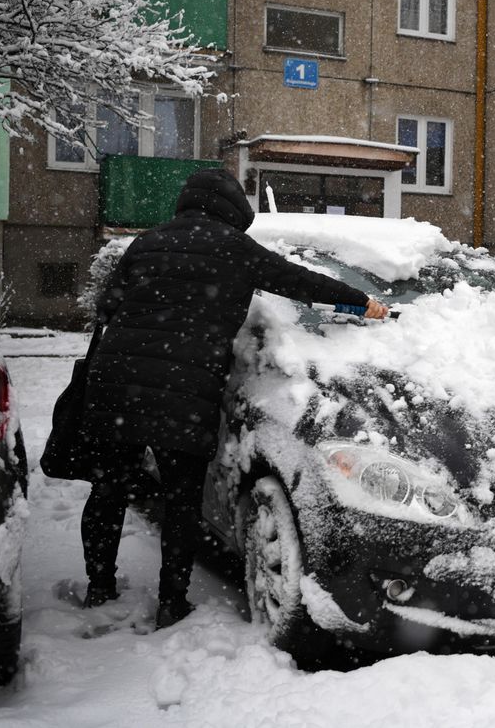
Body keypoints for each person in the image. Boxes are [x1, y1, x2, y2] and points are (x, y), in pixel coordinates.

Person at [78, 168, 386, 628]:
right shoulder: (235, 248)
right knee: (182, 499)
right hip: (184, 391)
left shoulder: (147, 242)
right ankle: (171, 601)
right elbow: (299, 282)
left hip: (118, 382)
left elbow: (107, 306)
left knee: (108, 489)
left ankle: (99, 586)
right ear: (233, 209)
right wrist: (360, 301)